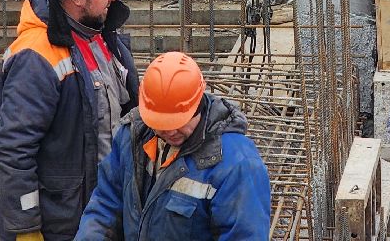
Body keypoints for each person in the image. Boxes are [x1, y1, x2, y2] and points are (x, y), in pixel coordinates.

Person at [0, 0, 138, 241]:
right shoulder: (36, 58)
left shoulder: (98, 34)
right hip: (63, 220)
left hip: (103, 207)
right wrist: (25, 227)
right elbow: (14, 150)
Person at [75, 52, 271, 241]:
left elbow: (244, 234)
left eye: (178, 122)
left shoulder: (236, 164)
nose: (169, 131)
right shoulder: (131, 137)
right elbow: (105, 205)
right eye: (161, 123)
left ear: (197, 105)